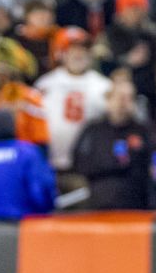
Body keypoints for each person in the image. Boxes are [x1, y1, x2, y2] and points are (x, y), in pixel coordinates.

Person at [34, 27, 111, 174]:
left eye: (83, 49)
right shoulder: (45, 84)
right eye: (72, 49)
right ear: (61, 53)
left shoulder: (104, 86)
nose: (79, 54)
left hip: (90, 166)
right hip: (50, 164)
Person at [73, 75, 155, 210]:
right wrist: (115, 164)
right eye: (120, 97)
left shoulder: (143, 131)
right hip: (99, 199)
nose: (123, 104)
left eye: (129, 98)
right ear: (108, 100)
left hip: (134, 202)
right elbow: (80, 163)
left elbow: (151, 166)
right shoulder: (93, 129)